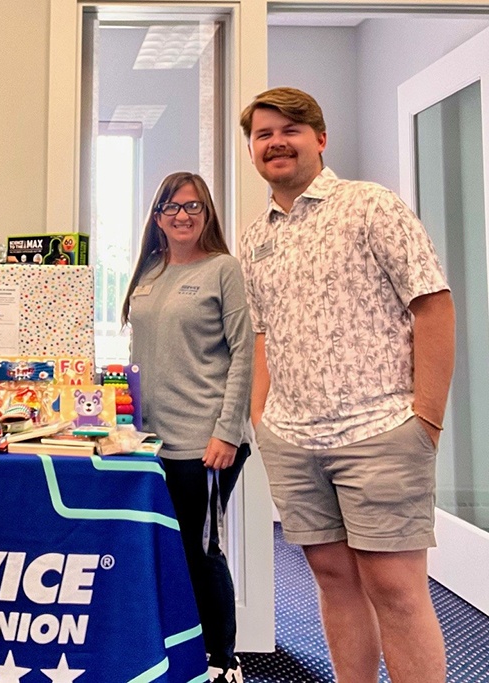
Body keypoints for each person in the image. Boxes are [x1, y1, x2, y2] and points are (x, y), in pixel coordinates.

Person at [238, 87, 455, 683]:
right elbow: (262, 333)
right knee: (332, 579)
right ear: (253, 149)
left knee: (396, 587)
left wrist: (426, 419)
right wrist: (262, 419)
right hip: (293, 438)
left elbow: (432, 305)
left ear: (320, 138)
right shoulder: (256, 238)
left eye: (291, 129)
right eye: (263, 134)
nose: (276, 142)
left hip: (381, 428)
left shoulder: (370, 206)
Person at [122, 172, 253, 683]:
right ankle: (181, 648)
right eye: (171, 207)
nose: (182, 215)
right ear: (156, 217)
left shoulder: (223, 269)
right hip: (150, 441)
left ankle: (223, 660)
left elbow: (244, 354)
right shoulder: (150, 271)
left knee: (201, 552)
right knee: (164, 548)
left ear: (208, 215)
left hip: (205, 440)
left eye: (193, 207)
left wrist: (226, 431)